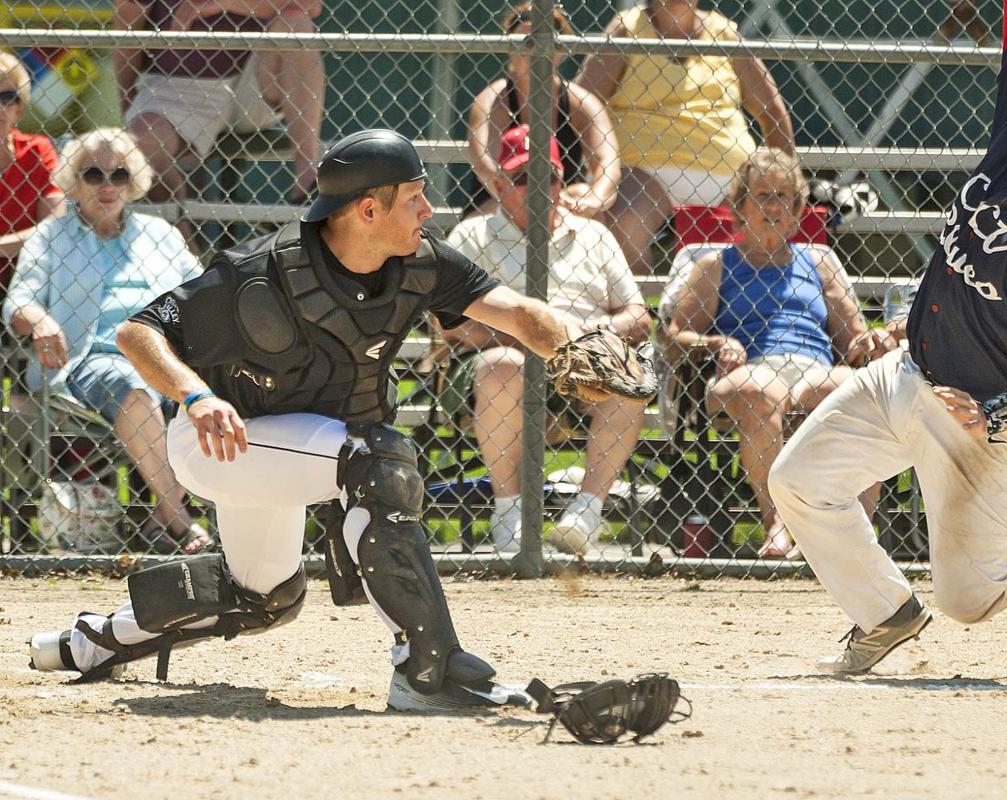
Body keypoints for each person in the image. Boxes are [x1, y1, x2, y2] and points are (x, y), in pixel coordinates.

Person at [27, 129, 587, 711]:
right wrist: (195, 396)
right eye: (415, 196)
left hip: (291, 451)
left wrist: (579, 349)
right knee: (375, 460)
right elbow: (137, 332)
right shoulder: (258, 272)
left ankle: (91, 641)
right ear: (369, 209)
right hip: (218, 441)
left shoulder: (420, 260)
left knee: (263, 594)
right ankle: (429, 669)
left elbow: (521, 314)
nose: (429, 209)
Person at [766, 0, 1007, 675]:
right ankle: (885, 611)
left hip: (986, 425)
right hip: (909, 373)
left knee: (970, 600)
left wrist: (997, 411)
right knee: (796, 482)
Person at [665, 147, 887, 558]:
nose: (774, 206)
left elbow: (852, 341)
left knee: (858, 389)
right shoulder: (714, 265)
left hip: (813, 368)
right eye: (762, 196)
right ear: (739, 206)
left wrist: (871, 342)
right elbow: (676, 336)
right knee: (760, 391)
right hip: (747, 369)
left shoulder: (820, 261)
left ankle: (856, 535)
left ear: (799, 206)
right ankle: (779, 525)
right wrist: (716, 343)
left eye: (784, 196)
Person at [443, 125, 650, 556]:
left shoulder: (593, 235)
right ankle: (508, 512)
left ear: (561, 179)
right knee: (506, 365)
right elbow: (448, 324)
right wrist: (525, 335)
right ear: (499, 185)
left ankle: (586, 513)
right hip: (494, 363)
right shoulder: (472, 236)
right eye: (522, 179)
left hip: (585, 358)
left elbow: (638, 314)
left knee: (630, 371)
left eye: (549, 177)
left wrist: (594, 336)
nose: (538, 188)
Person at [4, 128, 211, 554]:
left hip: (164, 353)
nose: (106, 185)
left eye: (118, 174)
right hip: (85, 360)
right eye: (93, 174)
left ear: (132, 180)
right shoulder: (51, 236)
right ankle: (177, 517)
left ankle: (164, 521)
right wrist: (40, 320)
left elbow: (202, 290)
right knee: (131, 385)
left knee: (219, 382)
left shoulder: (159, 234)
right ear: (72, 181)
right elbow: (18, 300)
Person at [576, 0, 794, 274]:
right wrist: (596, 168)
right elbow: (582, 101)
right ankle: (636, 309)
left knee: (759, 220)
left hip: (730, 175)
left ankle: (737, 309)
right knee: (625, 221)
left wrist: (787, 180)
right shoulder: (627, 28)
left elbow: (772, 110)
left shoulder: (725, 34)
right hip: (643, 171)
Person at [113, 0, 326, 239]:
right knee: (145, 142)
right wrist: (129, 104)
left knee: (295, 21)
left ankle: (308, 185)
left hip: (255, 78)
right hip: (178, 86)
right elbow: (127, 24)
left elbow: (310, 5)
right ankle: (186, 259)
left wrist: (220, 3)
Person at [463, 2, 620, 220]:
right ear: (510, 48)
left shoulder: (581, 102)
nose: (534, 51)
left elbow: (608, 164)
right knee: (489, 215)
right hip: (501, 200)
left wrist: (593, 199)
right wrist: (524, 199)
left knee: (586, 199)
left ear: (560, 51)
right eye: (525, 42)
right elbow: (485, 164)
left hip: (563, 203)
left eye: (544, 41)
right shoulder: (493, 100)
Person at [0, 51, 65, 294]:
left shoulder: (37, 150)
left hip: (26, 279)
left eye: (7, 97)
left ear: (18, 109)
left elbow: (55, 224)